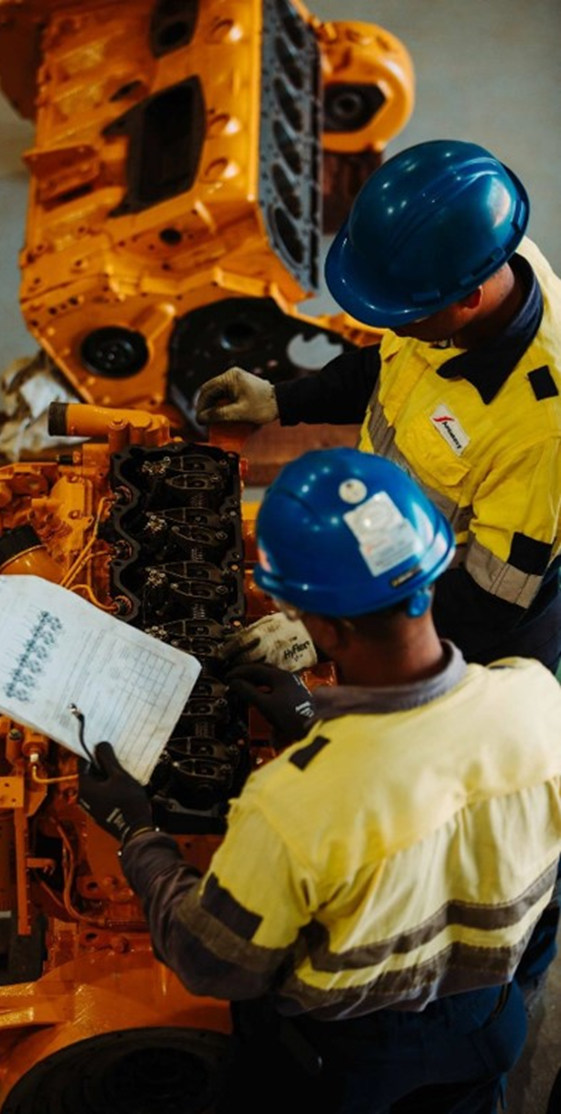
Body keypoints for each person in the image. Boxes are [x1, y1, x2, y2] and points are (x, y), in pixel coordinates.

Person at [77, 448, 561, 1114]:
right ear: (432, 570)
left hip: (351, 1057)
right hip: (486, 1022)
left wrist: (138, 832)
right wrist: (310, 723)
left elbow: (212, 960)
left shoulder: (292, 806)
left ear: (323, 626)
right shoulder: (536, 699)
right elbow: (433, 788)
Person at [196, 139, 561, 677]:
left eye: (403, 315)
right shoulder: (483, 257)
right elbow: (387, 368)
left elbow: (493, 601)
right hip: (383, 548)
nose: (388, 327)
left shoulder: (541, 432)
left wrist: (336, 629)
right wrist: (279, 400)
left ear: (468, 301)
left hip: (466, 642)